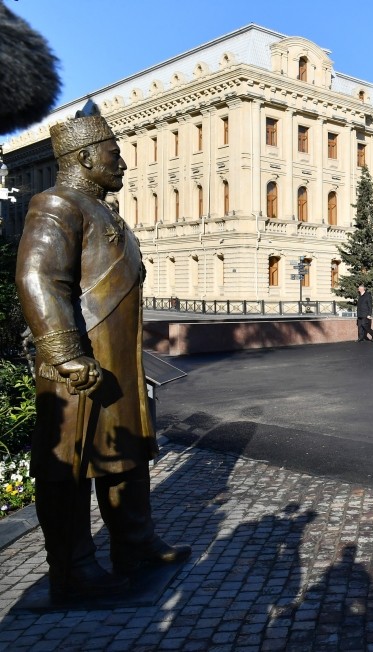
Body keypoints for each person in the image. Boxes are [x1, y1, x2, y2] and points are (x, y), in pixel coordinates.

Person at [16, 108, 190, 603]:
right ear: (86, 156)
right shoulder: (56, 204)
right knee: (67, 466)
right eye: (114, 154)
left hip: (115, 363)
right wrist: (65, 352)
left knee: (125, 451)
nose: (124, 165)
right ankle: (72, 569)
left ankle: (134, 545)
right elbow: (38, 278)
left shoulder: (103, 210)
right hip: (78, 365)